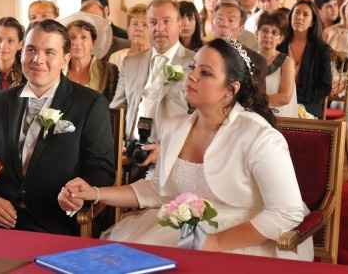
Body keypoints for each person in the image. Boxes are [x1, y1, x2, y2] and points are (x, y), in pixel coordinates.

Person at [60, 38, 313, 261]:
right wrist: (94, 193)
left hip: (247, 239)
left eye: (205, 73)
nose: (191, 76)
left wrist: (214, 243)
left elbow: (286, 212)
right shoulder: (176, 127)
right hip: (184, 231)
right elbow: (159, 189)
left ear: (230, 90)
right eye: (193, 67)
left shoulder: (259, 137)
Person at [0, 19, 114, 235]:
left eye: (49, 52)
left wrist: (77, 195)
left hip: (57, 222)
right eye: (31, 49)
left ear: (65, 59)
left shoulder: (90, 104)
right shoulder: (1, 102)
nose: (37, 59)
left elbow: (101, 170)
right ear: (21, 53)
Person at [110, 0, 194, 142]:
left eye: (166, 21)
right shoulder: (130, 63)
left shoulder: (195, 62)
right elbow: (117, 109)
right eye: (153, 22)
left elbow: (202, 118)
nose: (159, 28)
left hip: (172, 152)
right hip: (131, 152)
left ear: (179, 25)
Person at [278, 0, 332, 118]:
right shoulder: (279, 46)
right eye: (296, 13)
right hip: (282, 102)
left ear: (312, 22)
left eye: (305, 14)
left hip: (310, 104)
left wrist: (302, 102)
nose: (299, 17)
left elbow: (325, 86)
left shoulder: (321, 49)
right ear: (291, 16)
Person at [212, 2, 268, 93]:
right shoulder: (198, 55)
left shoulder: (256, 61)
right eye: (220, 19)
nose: (224, 24)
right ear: (212, 25)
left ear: (240, 29)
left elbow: (258, 100)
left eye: (231, 20)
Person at [64, 19, 119, 102]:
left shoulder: (109, 70)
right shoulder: (58, 69)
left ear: (93, 43)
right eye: (72, 37)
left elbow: (114, 105)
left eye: (83, 37)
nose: (77, 42)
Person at [257, 12, 298, 117]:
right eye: (265, 30)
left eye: (274, 33)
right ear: (257, 33)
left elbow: (285, 97)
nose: (268, 35)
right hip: (255, 115)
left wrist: (254, 102)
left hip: (280, 118)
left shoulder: (287, 62)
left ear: (280, 39)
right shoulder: (248, 58)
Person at [109, 4, 150, 73]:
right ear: (128, 29)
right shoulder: (115, 58)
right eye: (135, 24)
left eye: (144, 25)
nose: (139, 29)